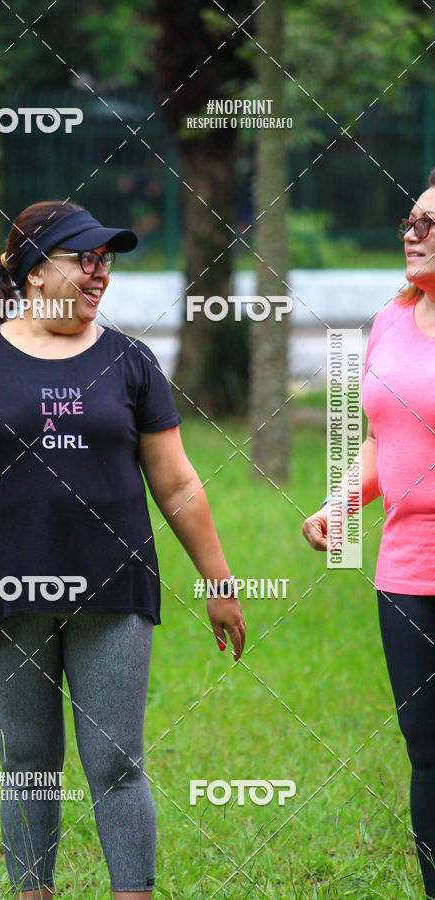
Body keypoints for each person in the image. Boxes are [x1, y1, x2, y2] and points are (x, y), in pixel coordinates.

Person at [0, 200, 246, 899]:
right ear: (35, 273)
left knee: (118, 761)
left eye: (108, 261)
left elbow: (179, 484)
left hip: (111, 590)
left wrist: (218, 582)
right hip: (7, 592)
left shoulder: (130, 360)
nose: (100, 273)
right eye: (84, 259)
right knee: (28, 762)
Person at [302, 173, 435, 898]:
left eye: (429, 224)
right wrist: (341, 502)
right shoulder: (392, 318)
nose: (411, 234)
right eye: (408, 221)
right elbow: (386, 438)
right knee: (428, 752)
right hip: (407, 569)